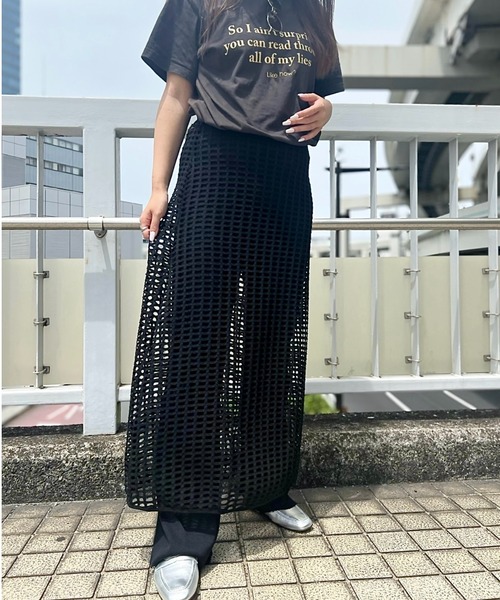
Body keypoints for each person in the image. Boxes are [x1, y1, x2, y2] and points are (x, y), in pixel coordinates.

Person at [124, 1, 344, 598]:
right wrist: (157, 187)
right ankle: (184, 527)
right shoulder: (202, 2)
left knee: (274, 339)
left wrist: (326, 111)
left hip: (285, 177)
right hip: (216, 167)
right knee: (197, 342)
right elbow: (177, 95)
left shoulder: (314, 9)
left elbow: (318, 95)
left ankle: (263, 484)